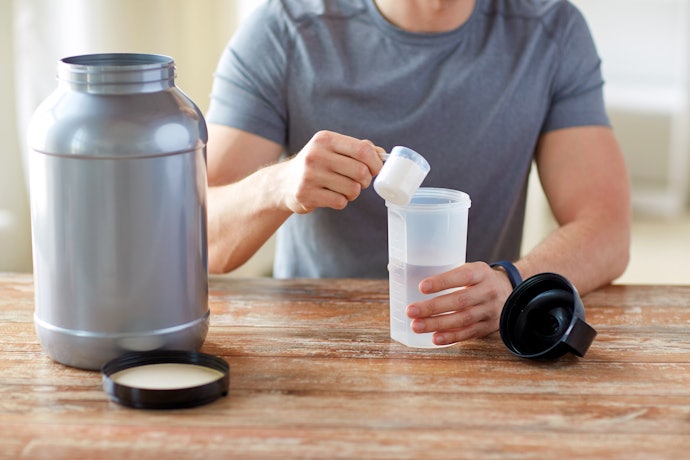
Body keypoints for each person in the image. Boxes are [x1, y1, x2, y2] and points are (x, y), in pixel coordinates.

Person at [204, 0, 631, 346]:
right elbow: (202, 238)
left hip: (469, 346)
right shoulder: (282, 32)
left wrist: (513, 283)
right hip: (311, 342)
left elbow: (608, 230)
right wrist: (278, 184)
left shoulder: (552, 31)